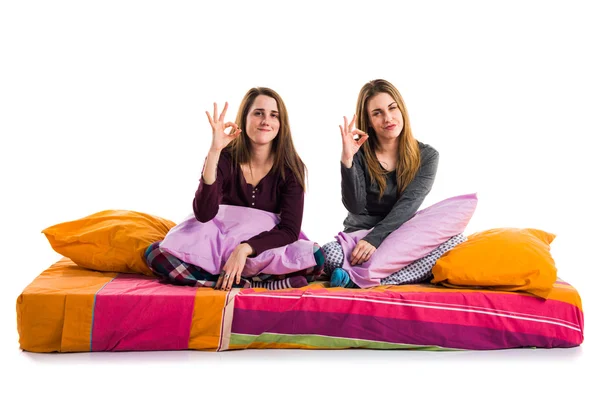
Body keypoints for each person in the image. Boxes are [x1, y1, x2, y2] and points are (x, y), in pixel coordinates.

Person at [145, 87, 324, 291]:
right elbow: (204, 214)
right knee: (155, 254)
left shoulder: (291, 168)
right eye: (258, 113)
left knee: (316, 257)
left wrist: (244, 249)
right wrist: (214, 151)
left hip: (262, 246)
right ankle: (250, 283)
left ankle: (234, 278)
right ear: (244, 118)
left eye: (274, 115)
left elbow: (290, 230)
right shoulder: (223, 158)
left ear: (281, 124)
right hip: (218, 240)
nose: (266, 121)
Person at [324, 79, 440, 288]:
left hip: (398, 237)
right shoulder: (359, 152)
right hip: (359, 240)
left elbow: (408, 206)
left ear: (401, 109)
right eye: (377, 113)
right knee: (329, 254)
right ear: (368, 121)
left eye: (392, 108)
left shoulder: (427, 156)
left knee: (454, 241)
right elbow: (355, 207)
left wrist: (376, 239)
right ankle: (375, 273)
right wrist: (348, 160)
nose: (388, 118)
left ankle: (356, 278)